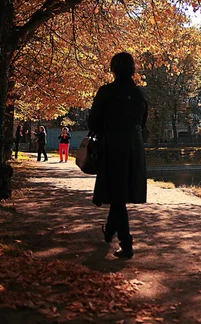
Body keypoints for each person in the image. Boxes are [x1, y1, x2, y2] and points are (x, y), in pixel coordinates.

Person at [88, 52, 148, 259]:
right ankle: (109, 232)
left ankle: (127, 244)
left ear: (113, 69)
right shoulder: (140, 94)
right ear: (133, 69)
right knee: (119, 195)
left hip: (114, 146)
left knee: (117, 196)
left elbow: (93, 123)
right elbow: (143, 123)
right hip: (135, 147)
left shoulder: (106, 92)